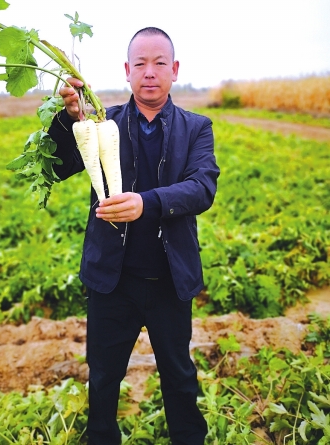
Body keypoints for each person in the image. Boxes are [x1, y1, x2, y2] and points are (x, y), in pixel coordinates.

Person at [48, 27, 220, 445]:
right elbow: (58, 166)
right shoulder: (97, 124)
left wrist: (148, 203)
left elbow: (202, 187)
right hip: (113, 280)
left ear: (174, 70)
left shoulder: (196, 128)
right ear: (127, 71)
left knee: (179, 376)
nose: (149, 72)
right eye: (140, 63)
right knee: (103, 377)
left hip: (169, 281)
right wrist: (66, 119)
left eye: (159, 63)